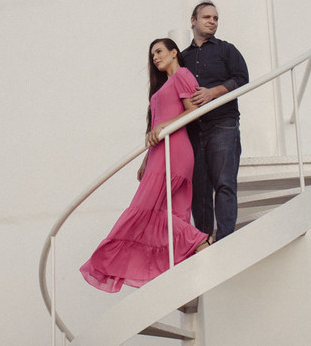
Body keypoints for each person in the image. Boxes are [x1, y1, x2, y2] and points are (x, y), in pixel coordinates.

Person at [80, 38, 212, 293]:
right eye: (152, 55)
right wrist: (145, 158)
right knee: (162, 214)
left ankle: (198, 240)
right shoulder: (161, 88)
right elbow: (156, 127)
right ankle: (197, 245)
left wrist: (165, 126)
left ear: (174, 53)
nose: (155, 57)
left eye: (159, 51)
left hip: (176, 151)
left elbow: (193, 111)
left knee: (145, 210)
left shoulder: (183, 74)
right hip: (158, 153)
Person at [183, 1, 248, 240]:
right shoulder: (183, 57)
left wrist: (213, 92)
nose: (212, 21)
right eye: (207, 17)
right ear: (193, 21)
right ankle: (203, 242)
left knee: (224, 183)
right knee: (199, 191)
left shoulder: (226, 49)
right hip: (193, 129)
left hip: (223, 123)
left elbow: (242, 78)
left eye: (216, 18)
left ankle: (225, 239)